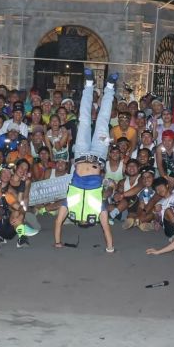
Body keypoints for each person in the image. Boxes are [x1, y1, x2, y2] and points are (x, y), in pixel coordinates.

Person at [54, 69, 117, 253]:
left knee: (83, 120)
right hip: (98, 154)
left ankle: (89, 85)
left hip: (81, 154)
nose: (82, 220)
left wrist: (58, 242)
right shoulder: (97, 208)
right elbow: (106, 228)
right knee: (103, 120)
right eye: (84, 221)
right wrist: (110, 248)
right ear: (88, 221)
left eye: (80, 221)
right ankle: (110, 87)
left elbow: (58, 222)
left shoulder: (70, 205)